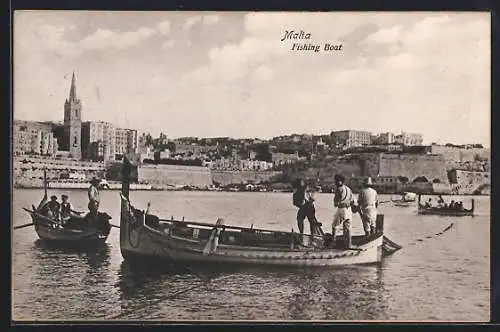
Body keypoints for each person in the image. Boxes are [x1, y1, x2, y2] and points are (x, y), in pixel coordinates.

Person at [292, 179, 320, 245]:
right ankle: (303, 234)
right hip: (304, 206)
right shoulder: (299, 190)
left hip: (308, 206)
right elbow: (295, 202)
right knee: (301, 219)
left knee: (310, 221)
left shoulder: (304, 189)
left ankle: (312, 235)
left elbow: (314, 189)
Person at [332, 174, 355, 249]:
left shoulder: (339, 189)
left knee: (335, 225)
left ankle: (333, 243)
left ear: (339, 181)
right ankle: (348, 244)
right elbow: (352, 201)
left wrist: (338, 202)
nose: (335, 182)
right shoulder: (348, 189)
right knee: (348, 228)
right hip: (349, 210)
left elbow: (335, 203)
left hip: (341, 209)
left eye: (336, 181)